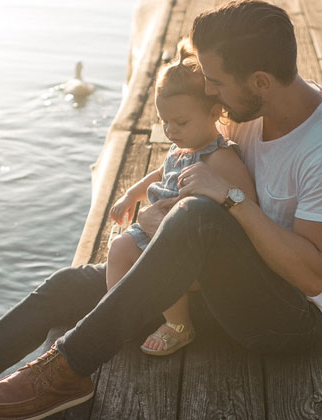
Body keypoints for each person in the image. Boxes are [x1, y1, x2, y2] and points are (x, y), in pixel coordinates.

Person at [0, 1, 322, 419]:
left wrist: (230, 199)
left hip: (286, 321)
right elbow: (195, 165)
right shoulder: (246, 112)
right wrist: (162, 200)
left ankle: (68, 370)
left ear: (259, 81)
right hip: (216, 288)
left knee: (197, 219)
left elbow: (311, 277)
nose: (209, 92)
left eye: (216, 82)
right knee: (68, 286)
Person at [107, 41, 257, 356]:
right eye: (166, 123)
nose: (171, 131)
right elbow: (160, 174)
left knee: (162, 265)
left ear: (215, 112)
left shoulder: (220, 157)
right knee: (119, 247)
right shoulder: (181, 148)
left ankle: (179, 324)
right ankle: (119, 315)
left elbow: (247, 202)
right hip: (156, 227)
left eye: (181, 123)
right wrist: (130, 196)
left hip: (189, 245)